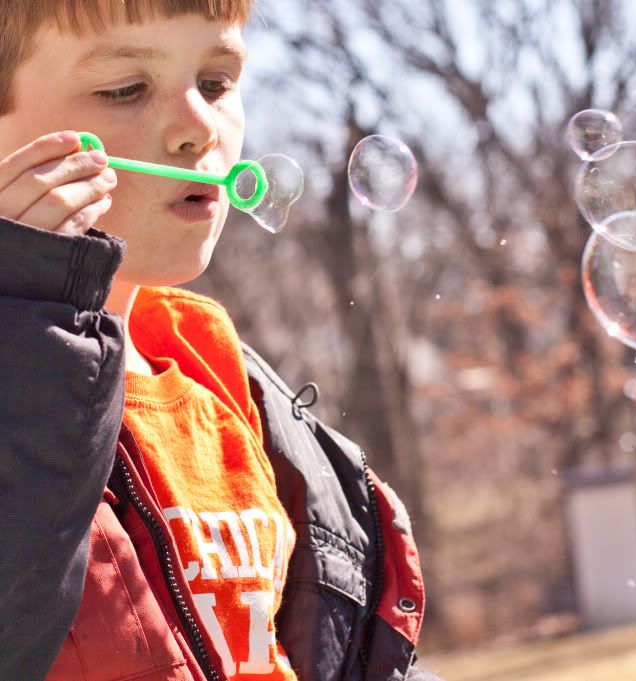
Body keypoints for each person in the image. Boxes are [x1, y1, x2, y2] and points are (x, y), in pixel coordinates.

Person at [0, 2, 441, 680]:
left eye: (215, 82)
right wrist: (34, 316)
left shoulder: (216, 371)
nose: (199, 129)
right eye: (125, 89)